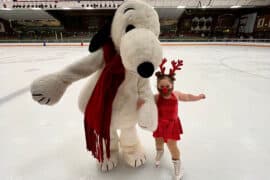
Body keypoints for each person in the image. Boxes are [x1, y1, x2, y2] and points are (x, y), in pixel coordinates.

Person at [153, 58, 206, 180]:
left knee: (172, 146)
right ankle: (159, 153)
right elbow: (146, 104)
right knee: (158, 142)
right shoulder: (156, 98)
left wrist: (198, 97)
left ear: (172, 85)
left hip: (172, 125)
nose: (164, 88)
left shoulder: (176, 95)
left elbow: (187, 97)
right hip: (159, 124)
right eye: (161, 86)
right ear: (157, 86)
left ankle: (177, 166)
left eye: (167, 86)